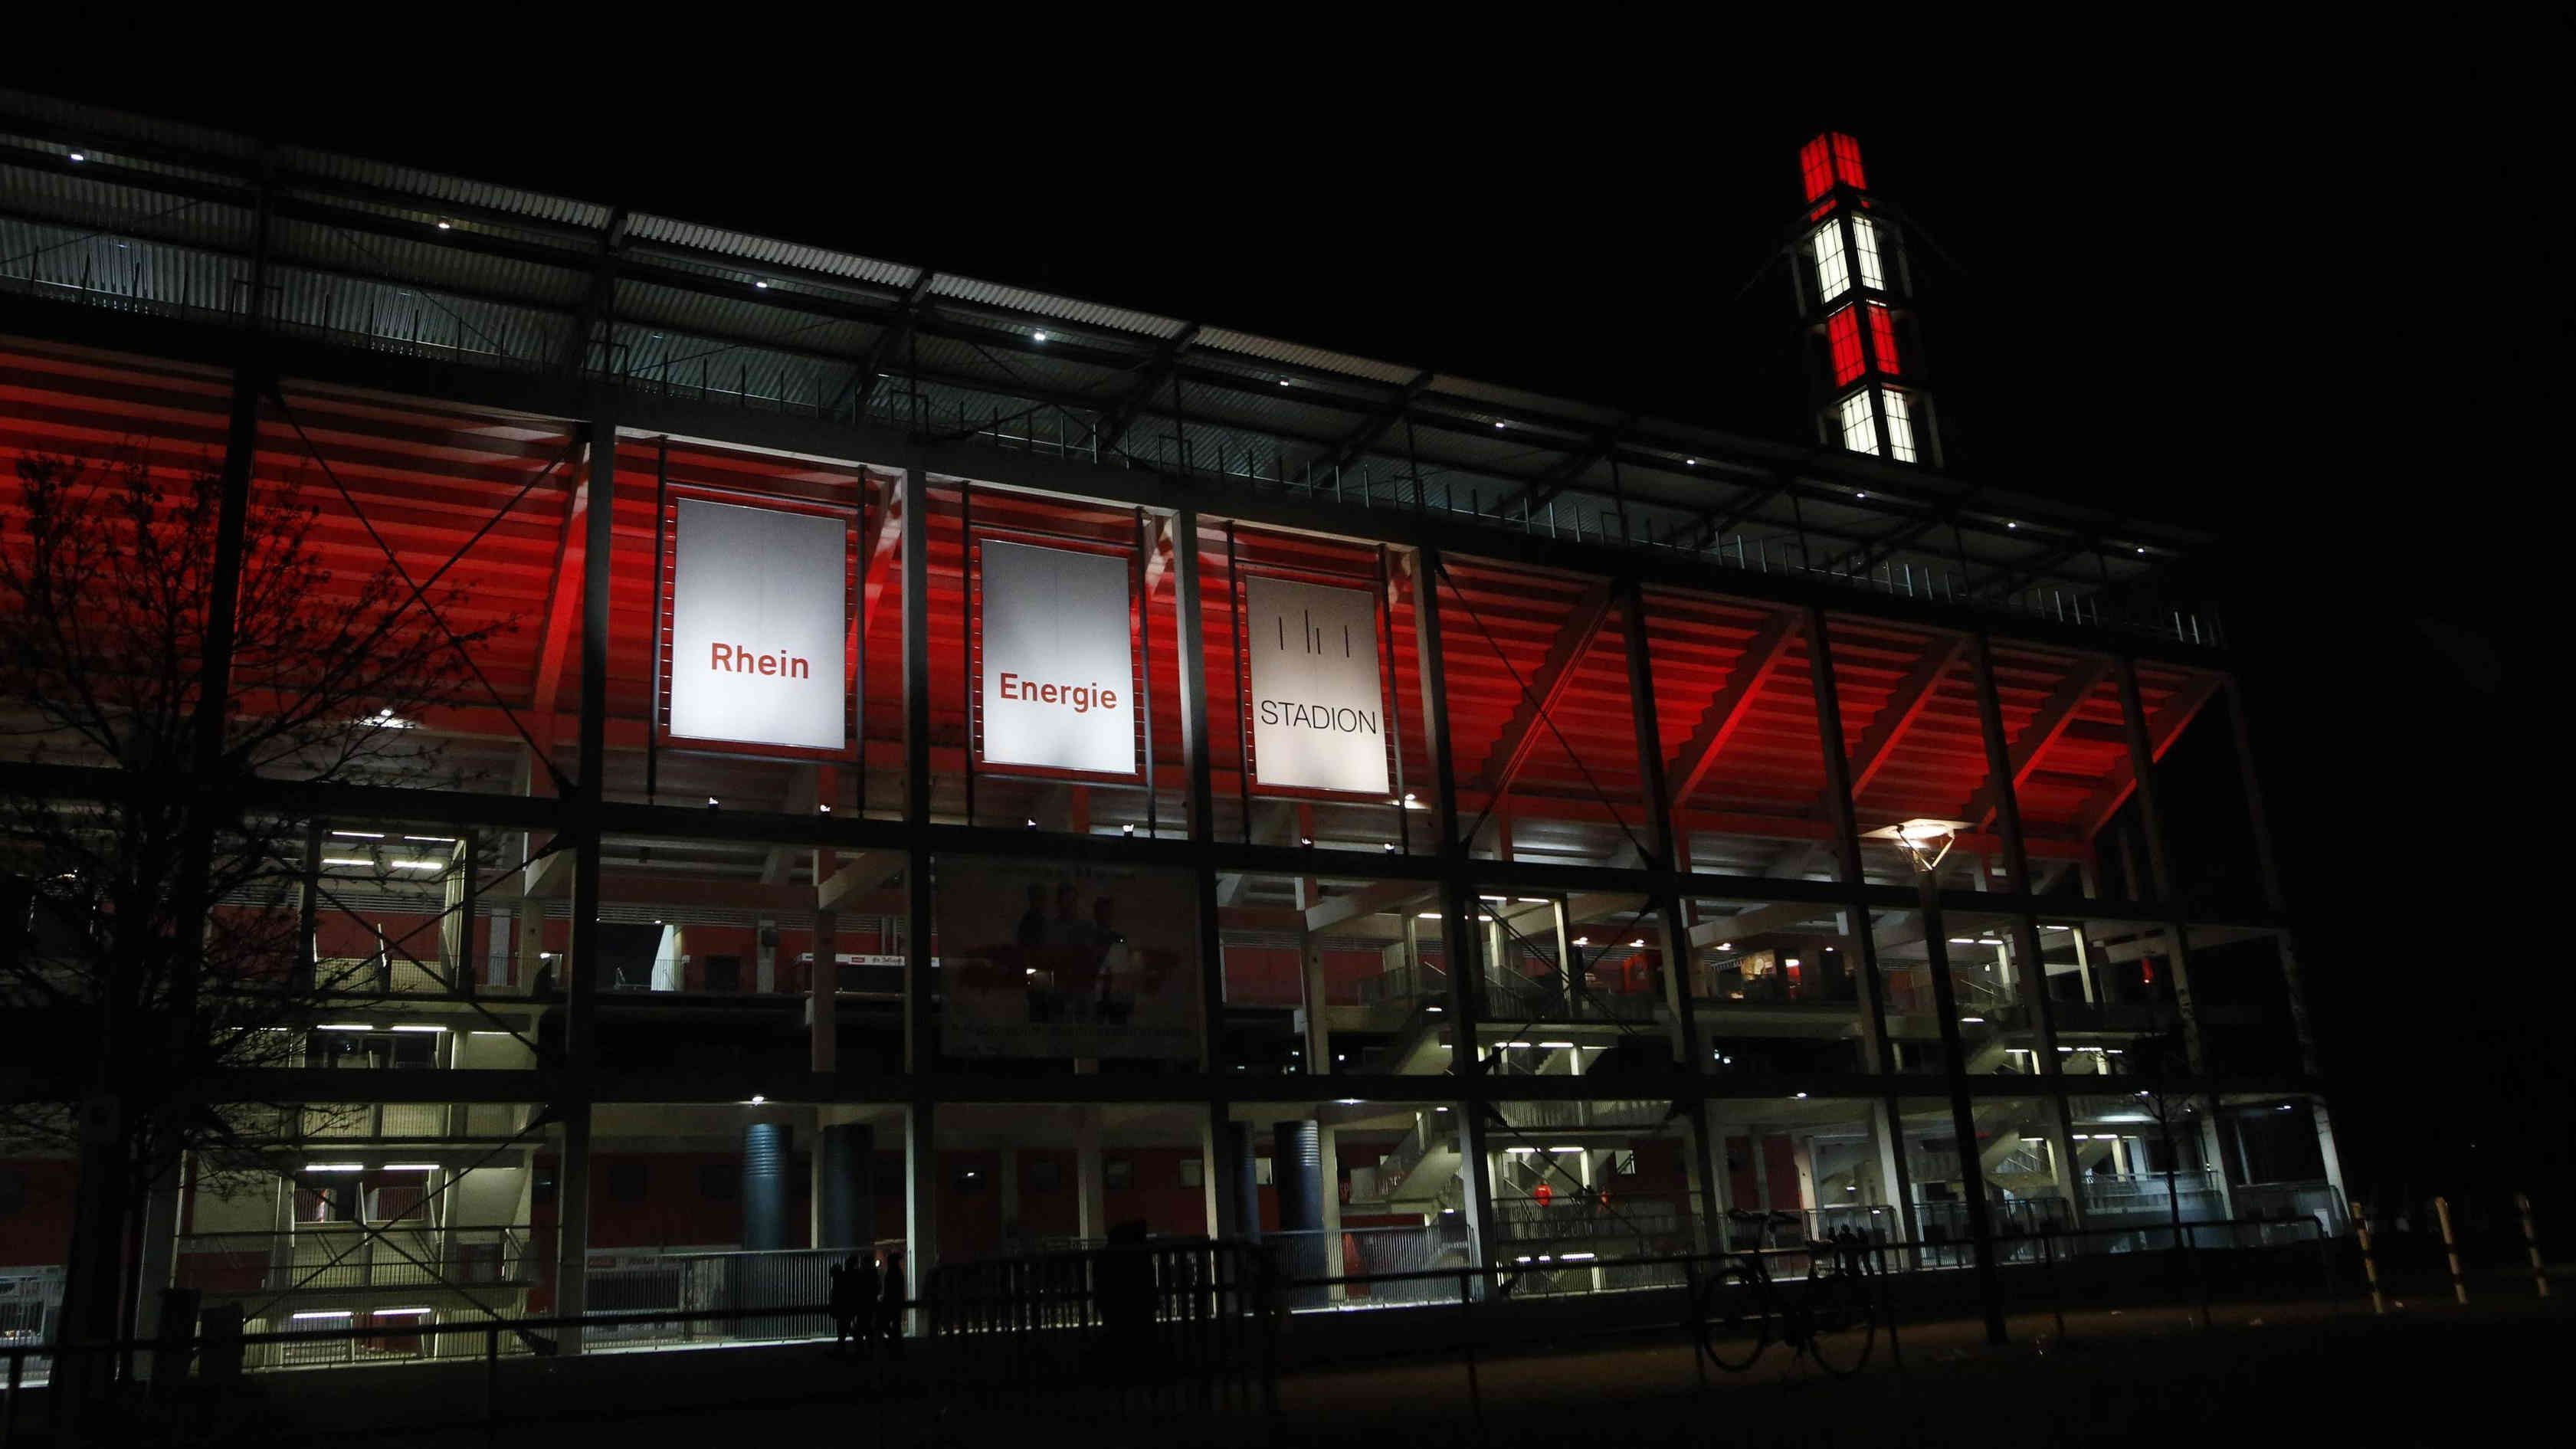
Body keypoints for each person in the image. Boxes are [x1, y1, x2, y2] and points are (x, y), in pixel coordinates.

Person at [876, 1247, 906, 1359]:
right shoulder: (898, 1272)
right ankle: (897, 1345)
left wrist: (884, 1299)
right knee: (896, 1324)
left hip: (890, 1303)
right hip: (896, 1303)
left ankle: (895, 1342)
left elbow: (889, 1290)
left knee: (883, 1324)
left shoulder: (891, 1273)